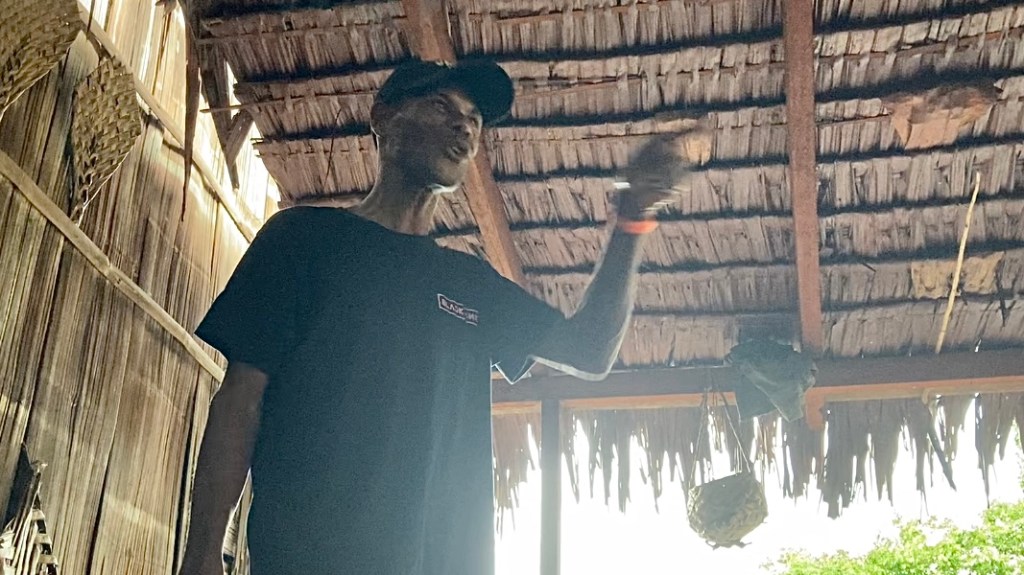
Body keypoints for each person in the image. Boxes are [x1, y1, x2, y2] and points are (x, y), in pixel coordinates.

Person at [180, 58, 697, 575]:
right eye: (440, 106)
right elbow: (241, 401)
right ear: (382, 117)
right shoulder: (303, 240)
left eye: (474, 119)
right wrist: (202, 553)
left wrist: (633, 215)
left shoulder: (470, 283)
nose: (463, 127)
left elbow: (589, 350)